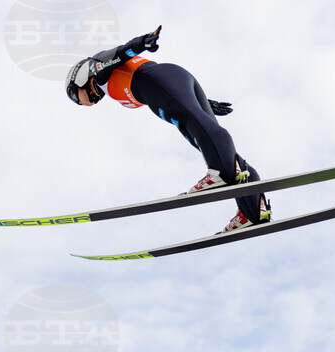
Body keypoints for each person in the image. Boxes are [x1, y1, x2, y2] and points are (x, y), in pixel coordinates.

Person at [65, 26, 270, 234]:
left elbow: (120, 53)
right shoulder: (106, 83)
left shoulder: (97, 69)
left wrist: (141, 43)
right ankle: (252, 211)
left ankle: (222, 173)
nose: (83, 103)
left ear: (78, 77)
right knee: (205, 138)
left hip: (159, 82)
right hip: (173, 80)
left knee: (196, 126)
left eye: (75, 97)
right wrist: (205, 102)